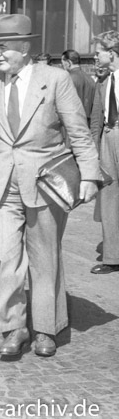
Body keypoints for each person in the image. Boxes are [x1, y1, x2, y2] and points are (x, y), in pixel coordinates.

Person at [0, 14, 99, 358]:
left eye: (4, 46)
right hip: (0, 182)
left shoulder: (55, 79)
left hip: (45, 182)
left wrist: (89, 175)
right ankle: (13, 328)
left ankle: (46, 328)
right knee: (2, 258)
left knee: (45, 257)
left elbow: (79, 131)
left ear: (25, 48)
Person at [89, 31, 119, 274]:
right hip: (108, 139)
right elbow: (96, 120)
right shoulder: (103, 82)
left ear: (112, 53)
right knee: (109, 198)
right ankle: (112, 257)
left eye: (99, 51)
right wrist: (92, 152)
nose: (96, 56)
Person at [61, 50, 96, 125]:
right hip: (87, 122)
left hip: (72, 122)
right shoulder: (90, 79)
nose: (62, 66)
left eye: (63, 63)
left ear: (68, 62)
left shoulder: (68, 78)